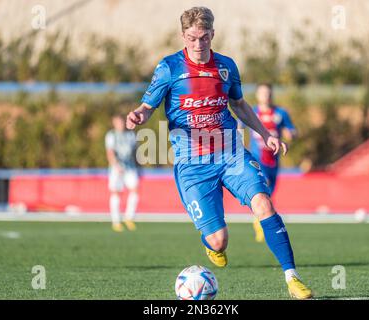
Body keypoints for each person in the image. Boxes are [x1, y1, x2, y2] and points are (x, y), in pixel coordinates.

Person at [126, 7, 312, 299]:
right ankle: (212, 244)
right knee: (219, 240)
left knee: (263, 202)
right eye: (191, 38)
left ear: (212, 34)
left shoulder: (226, 66)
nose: (198, 45)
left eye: (203, 38)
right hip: (192, 164)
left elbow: (239, 105)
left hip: (231, 153)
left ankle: (292, 277)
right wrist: (138, 115)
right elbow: (148, 106)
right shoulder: (169, 68)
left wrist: (266, 134)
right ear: (182, 36)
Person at [248, 83, 297, 242]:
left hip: (273, 160)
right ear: (257, 95)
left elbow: (291, 130)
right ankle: (259, 223)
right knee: (263, 188)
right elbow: (237, 128)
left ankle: (261, 220)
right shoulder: (251, 112)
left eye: (268, 93)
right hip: (256, 158)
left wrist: (291, 134)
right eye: (262, 93)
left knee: (269, 194)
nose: (265, 96)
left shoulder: (280, 113)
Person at [105, 113, 139, 232]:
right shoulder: (111, 135)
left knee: (134, 190)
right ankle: (116, 221)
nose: (120, 125)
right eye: (117, 122)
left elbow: (135, 152)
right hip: (116, 168)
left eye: (121, 122)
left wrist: (138, 165)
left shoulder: (130, 135)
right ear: (114, 123)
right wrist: (116, 165)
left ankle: (128, 218)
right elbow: (110, 152)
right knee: (116, 192)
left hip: (130, 167)